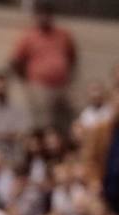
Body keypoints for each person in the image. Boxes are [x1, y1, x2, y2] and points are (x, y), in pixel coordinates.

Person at [9, 0, 76, 133]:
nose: (44, 17)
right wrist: (26, 81)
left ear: (52, 16)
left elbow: (72, 57)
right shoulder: (29, 36)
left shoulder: (63, 35)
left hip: (61, 87)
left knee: (60, 126)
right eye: (41, 14)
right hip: (39, 87)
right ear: (36, 16)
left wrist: (65, 76)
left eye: (47, 14)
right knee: (42, 125)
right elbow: (14, 61)